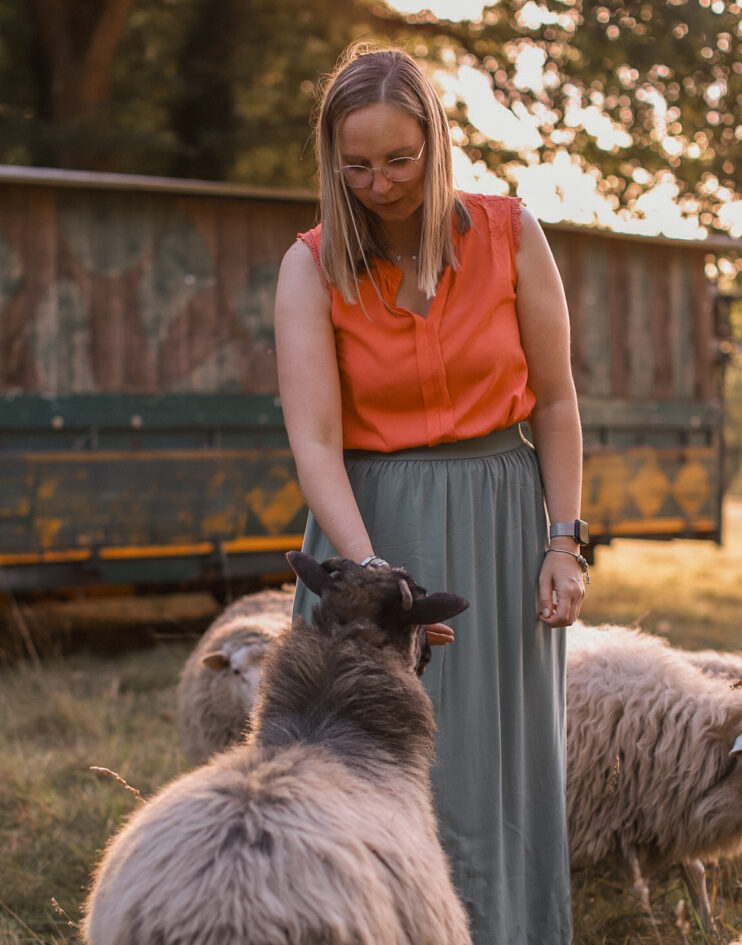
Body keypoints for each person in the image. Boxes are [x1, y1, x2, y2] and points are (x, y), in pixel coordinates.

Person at [274, 41, 586, 945]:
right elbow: (316, 439)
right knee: (364, 764)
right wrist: (374, 578)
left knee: (493, 770)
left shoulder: (511, 232)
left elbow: (559, 398)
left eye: (400, 160)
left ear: (437, 142)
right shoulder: (311, 263)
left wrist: (564, 539)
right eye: (357, 164)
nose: (380, 181)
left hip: (500, 522)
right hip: (370, 526)